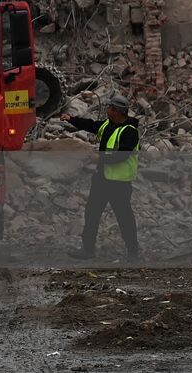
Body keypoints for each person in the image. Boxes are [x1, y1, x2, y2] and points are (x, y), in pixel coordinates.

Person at [60, 93, 140, 262]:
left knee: (124, 217)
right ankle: (88, 249)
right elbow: (91, 125)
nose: (107, 110)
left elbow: (122, 156)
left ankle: (133, 252)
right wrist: (71, 119)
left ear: (117, 111)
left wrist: (99, 158)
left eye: (110, 108)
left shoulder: (130, 132)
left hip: (119, 183)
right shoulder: (107, 125)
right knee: (92, 214)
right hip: (102, 180)